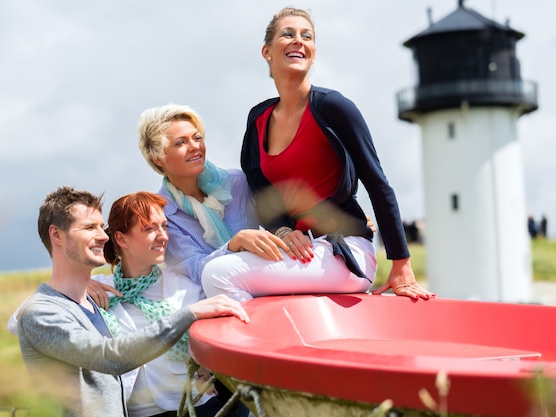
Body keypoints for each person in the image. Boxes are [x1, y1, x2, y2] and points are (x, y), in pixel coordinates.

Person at [236, 7, 434, 301]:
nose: (298, 41)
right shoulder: (258, 118)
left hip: (346, 251)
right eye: (288, 34)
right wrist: (281, 230)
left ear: (313, 53)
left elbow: (377, 183)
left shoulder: (334, 108)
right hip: (301, 252)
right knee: (222, 272)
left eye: (307, 36)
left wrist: (401, 264)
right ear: (267, 51)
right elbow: (259, 186)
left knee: (221, 274)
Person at [11, 186, 248, 417]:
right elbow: (109, 356)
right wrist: (188, 314)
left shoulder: (92, 302)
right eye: (90, 227)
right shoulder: (74, 302)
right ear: (56, 235)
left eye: (164, 226)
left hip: (195, 407)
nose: (103, 235)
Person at [136, 104, 402, 303]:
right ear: (157, 157)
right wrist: (233, 244)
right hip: (217, 295)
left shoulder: (238, 182)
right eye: (181, 143)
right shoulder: (163, 216)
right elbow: (195, 269)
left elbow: (286, 209)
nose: (195, 147)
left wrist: (345, 217)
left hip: (264, 275)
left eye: (197, 137)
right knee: (214, 276)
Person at [90, 191, 240, 417]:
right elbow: (23, 318)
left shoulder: (186, 289)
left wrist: (207, 370)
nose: (163, 236)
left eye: (164, 226)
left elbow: (221, 344)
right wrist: (77, 286)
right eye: (149, 229)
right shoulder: (96, 289)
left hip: (193, 407)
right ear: (121, 239)